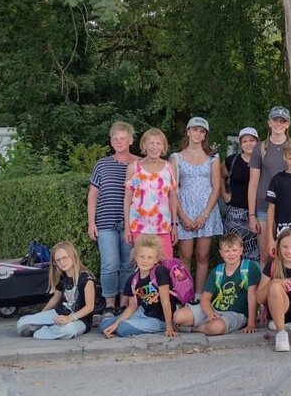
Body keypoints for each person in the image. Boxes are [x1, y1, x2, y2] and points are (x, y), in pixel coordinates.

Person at [88, 121, 138, 318]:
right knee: (109, 264)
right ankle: (109, 305)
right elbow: (92, 194)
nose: (119, 141)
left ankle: (124, 303)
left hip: (131, 224)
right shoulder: (102, 164)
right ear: (110, 141)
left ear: (130, 140)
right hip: (106, 222)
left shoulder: (139, 164)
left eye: (123, 138)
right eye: (115, 138)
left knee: (128, 264)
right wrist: (91, 222)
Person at [172, 117, 224, 299]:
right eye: (195, 130)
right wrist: (182, 216)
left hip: (206, 209)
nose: (198, 134)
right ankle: (184, 294)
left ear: (205, 136)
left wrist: (205, 214)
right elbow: (173, 188)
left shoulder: (213, 157)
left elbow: (216, 186)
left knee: (203, 255)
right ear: (188, 132)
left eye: (202, 131)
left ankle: (199, 295)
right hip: (184, 208)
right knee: (185, 256)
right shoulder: (176, 157)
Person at [173, 233, 261, 335]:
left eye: (234, 250)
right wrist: (210, 313)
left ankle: (193, 329)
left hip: (235, 314)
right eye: (227, 251)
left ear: (241, 250)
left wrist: (251, 323)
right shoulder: (218, 271)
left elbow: (252, 297)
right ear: (221, 253)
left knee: (216, 328)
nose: (231, 254)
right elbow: (205, 298)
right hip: (214, 309)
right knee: (178, 316)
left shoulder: (249, 268)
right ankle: (204, 324)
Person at [100, 235, 177, 338]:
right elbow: (132, 306)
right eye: (141, 256)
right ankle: (128, 323)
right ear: (136, 257)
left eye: (149, 257)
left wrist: (169, 327)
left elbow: (165, 301)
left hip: (159, 318)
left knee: (123, 329)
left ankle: (138, 324)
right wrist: (115, 324)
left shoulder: (159, 271)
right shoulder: (133, 279)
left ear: (156, 260)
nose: (145, 260)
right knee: (103, 326)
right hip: (142, 313)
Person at [16, 242, 96, 339]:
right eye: (58, 260)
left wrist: (69, 318)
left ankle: (41, 330)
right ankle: (46, 327)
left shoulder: (86, 278)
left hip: (79, 319)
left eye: (65, 257)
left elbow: (89, 307)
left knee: (67, 330)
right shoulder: (64, 277)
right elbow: (55, 299)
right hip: (59, 314)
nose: (62, 262)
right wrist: (41, 314)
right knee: (21, 322)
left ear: (73, 256)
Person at [248, 106, 291, 266]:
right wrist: (252, 215)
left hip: (289, 208)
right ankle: (265, 290)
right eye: (275, 120)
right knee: (266, 255)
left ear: (288, 124)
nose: (279, 124)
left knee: (290, 254)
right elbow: (253, 183)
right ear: (269, 122)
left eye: (283, 121)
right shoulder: (260, 148)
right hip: (264, 207)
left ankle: (289, 290)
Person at [123, 128, 179, 260]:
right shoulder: (134, 168)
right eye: (151, 143)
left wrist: (174, 225)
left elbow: (172, 198)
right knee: (143, 266)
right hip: (139, 227)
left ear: (163, 147)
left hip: (163, 227)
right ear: (144, 146)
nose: (155, 147)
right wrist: (126, 227)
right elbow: (127, 199)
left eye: (158, 143)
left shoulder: (169, 167)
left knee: (165, 266)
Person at [222, 127, 260, 261]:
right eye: (245, 141)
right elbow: (219, 176)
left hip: (256, 212)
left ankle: (250, 281)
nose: (248, 144)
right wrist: (225, 195)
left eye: (252, 140)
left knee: (254, 253)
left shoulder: (262, 161)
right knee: (232, 251)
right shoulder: (232, 160)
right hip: (235, 213)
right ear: (240, 143)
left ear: (257, 142)